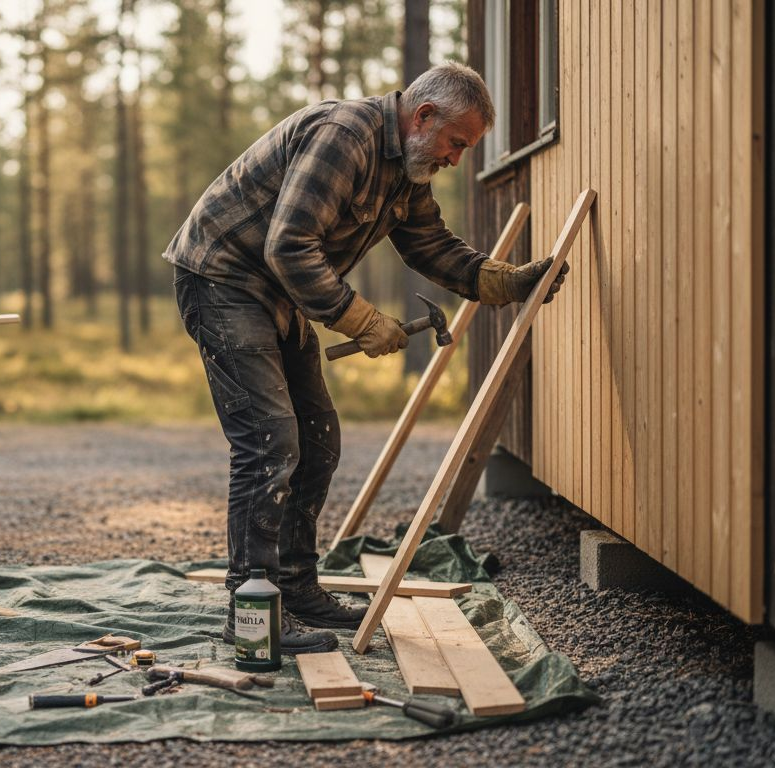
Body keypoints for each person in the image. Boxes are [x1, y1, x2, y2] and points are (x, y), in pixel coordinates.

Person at [164, 63, 567, 654]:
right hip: (223, 280)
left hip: (277, 293)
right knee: (270, 442)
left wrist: (504, 281)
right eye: (457, 142)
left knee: (318, 439)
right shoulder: (346, 135)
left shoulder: (407, 169)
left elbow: (430, 245)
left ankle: (295, 590)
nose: (457, 159)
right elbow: (289, 244)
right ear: (423, 116)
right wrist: (360, 319)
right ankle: (249, 615)